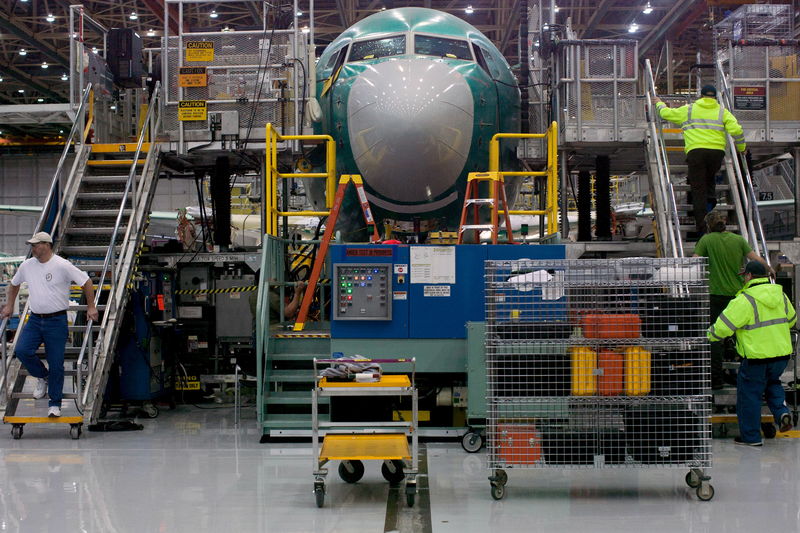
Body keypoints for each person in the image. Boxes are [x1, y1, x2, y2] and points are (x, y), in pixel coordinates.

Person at [0, 232, 99, 418]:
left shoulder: (62, 265)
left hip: (56, 320)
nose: (33, 248)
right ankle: (42, 376)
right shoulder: (27, 265)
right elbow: (13, 285)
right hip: (35, 319)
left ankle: (55, 403)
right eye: (32, 245)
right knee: (22, 350)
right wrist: (8, 305)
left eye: (36, 245)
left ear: (47, 245)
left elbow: (86, 282)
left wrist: (91, 307)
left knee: (56, 363)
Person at [707, 260, 795, 445]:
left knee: (750, 396)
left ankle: (751, 438)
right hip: (781, 357)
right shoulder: (781, 296)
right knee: (773, 384)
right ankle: (782, 413)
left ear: (749, 276)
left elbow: (723, 328)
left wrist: (708, 336)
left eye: (745, 275)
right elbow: (792, 320)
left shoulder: (744, 300)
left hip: (756, 358)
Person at [693, 210, 772, 389]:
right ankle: (745, 375)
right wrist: (769, 269)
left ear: (709, 225)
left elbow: (695, 261)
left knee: (715, 338)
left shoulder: (706, 240)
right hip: (738, 298)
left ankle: (716, 380)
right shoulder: (738, 240)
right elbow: (756, 260)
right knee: (742, 336)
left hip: (715, 297)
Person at [654, 85, 746, 234]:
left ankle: (703, 229)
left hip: (696, 153)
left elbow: (665, 114)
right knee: (709, 183)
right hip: (716, 153)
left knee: (698, 190)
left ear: (700, 96)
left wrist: (658, 102)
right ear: (715, 97)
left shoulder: (689, 110)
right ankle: (711, 212)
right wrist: (742, 148)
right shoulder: (723, 112)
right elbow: (737, 130)